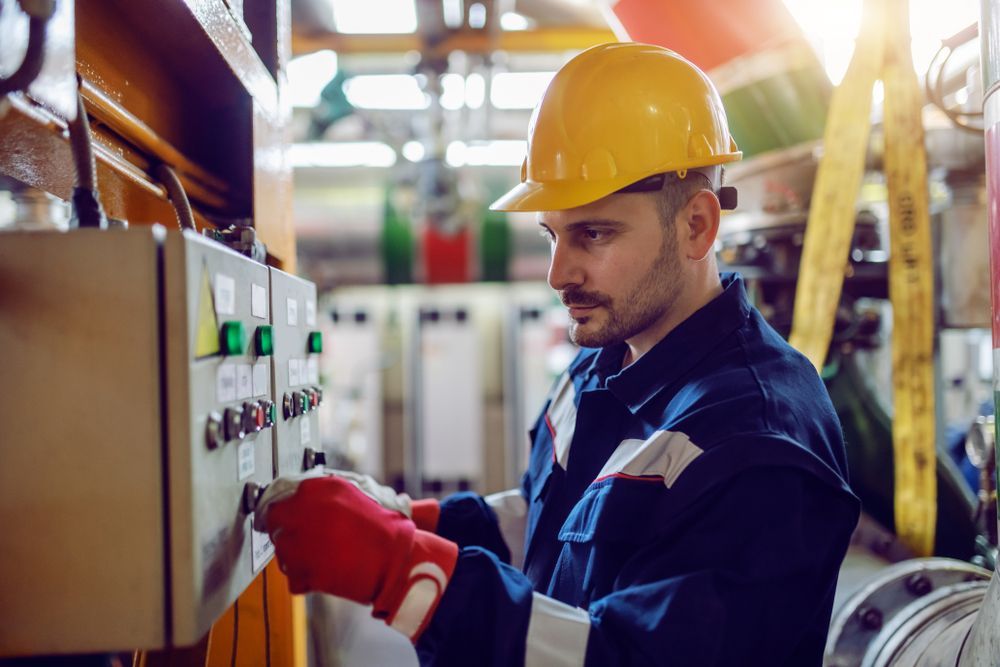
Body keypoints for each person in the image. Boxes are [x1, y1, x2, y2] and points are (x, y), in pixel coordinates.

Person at [255, 42, 860, 665]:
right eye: (551, 235)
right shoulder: (606, 358)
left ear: (696, 227)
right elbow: (556, 529)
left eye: (592, 233)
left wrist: (407, 573)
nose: (557, 273)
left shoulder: (755, 441)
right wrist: (415, 519)